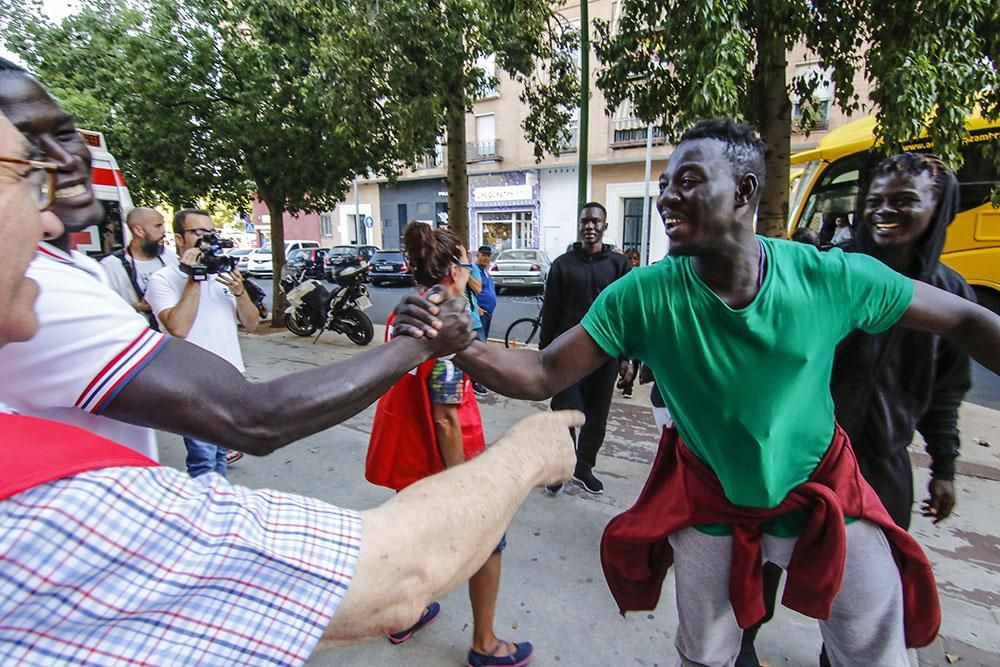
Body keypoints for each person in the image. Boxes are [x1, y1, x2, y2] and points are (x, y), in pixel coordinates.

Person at [394, 119, 1000, 665]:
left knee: (874, 641)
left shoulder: (828, 277)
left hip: (822, 490)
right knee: (707, 652)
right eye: (663, 186)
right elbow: (546, 372)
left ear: (743, 192)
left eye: (686, 180)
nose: (665, 198)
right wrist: (462, 346)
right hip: (710, 500)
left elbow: (969, 320)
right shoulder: (644, 295)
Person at [0, 108, 584, 664]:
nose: (49, 216)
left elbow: (253, 331)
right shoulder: (45, 507)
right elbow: (385, 569)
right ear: (454, 266)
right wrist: (517, 460)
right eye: (25, 177)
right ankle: (486, 641)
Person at [0, 59, 486, 463]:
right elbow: (252, 415)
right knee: (205, 467)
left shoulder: (65, 271)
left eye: (65, 135)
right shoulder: (42, 287)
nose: (59, 161)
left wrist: (232, 290)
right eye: (25, 154)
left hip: (197, 401)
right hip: (193, 416)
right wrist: (419, 346)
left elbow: (251, 326)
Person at [739, 157, 980, 664]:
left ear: (939, 210)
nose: (884, 212)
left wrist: (946, 468)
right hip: (801, 460)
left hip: (881, 471)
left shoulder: (950, 297)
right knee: (760, 568)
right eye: (874, 201)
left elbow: (945, 393)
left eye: (904, 201)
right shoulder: (827, 273)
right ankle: (740, 648)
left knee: (867, 597)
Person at [366, 221, 531, 666]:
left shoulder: (408, 311)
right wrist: (464, 484)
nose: (470, 272)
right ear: (454, 271)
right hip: (440, 460)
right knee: (489, 542)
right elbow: (446, 418)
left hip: (408, 457)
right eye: (464, 263)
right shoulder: (447, 328)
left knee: (412, 538)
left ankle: (404, 616)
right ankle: (485, 644)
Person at [145, 208, 261, 477]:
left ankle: (215, 507)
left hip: (229, 379)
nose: (206, 239)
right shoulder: (162, 279)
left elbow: (252, 323)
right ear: (179, 238)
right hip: (192, 384)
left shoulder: (223, 275)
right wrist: (193, 275)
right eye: (198, 233)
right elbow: (178, 327)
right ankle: (203, 512)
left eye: (210, 233)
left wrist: (240, 292)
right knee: (204, 458)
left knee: (221, 453)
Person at [539, 202, 632, 494]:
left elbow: (627, 313)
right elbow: (551, 313)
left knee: (596, 417)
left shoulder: (619, 266)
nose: (589, 226)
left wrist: (628, 357)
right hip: (567, 357)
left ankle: (583, 468)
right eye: (585, 221)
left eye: (595, 221)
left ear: (605, 226)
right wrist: (544, 356)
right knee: (564, 414)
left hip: (605, 356)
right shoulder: (562, 265)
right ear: (579, 225)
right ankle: (560, 468)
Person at [99, 206, 179, 330]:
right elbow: (103, 312)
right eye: (158, 226)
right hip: (136, 336)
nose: (163, 231)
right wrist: (137, 307)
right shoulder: (111, 266)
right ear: (138, 230)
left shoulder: (169, 257)